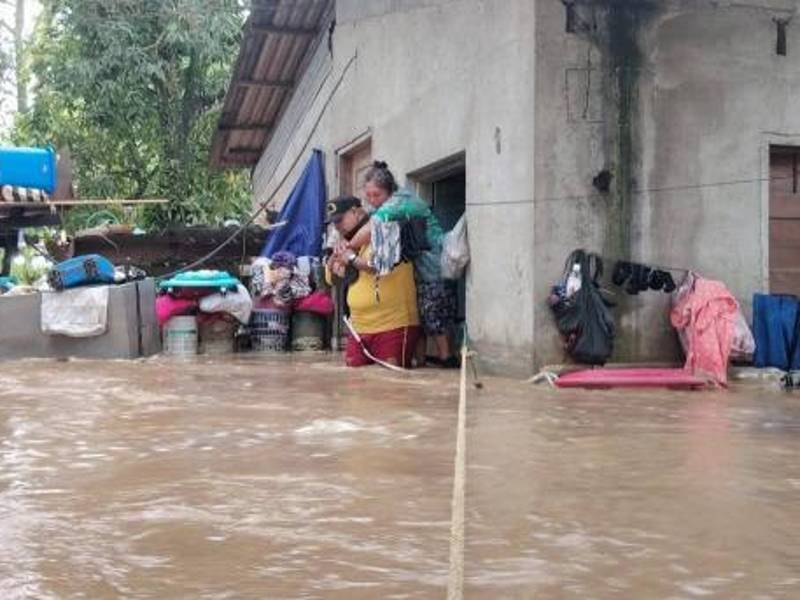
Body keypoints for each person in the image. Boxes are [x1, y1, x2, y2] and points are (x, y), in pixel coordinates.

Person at [346, 161, 459, 368]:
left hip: (433, 266)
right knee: (425, 314)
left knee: (435, 316)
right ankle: (424, 360)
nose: (372, 200)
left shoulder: (399, 203)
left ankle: (447, 359)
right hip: (421, 270)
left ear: (389, 191)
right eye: (368, 195)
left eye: (376, 195)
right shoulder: (391, 205)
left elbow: (372, 228)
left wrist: (347, 249)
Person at [325, 196, 421, 368]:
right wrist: (336, 255)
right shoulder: (346, 241)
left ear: (356, 211)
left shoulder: (386, 227)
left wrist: (351, 257)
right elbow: (332, 279)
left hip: (393, 325)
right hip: (358, 328)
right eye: (334, 223)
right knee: (354, 384)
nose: (337, 226)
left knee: (390, 388)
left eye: (340, 220)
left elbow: (380, 265)